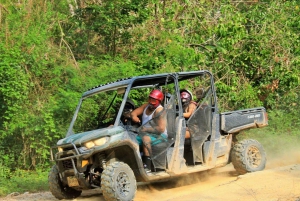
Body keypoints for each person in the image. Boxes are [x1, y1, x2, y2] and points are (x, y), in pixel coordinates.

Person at [130, 89, 167, 172]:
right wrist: (134, 117)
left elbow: (161, 129)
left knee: (145, 139)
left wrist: (146, 129)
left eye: (154, 100)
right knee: (129, 139)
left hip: (160, 135)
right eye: (150, 99)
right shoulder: (146, 106)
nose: (151, 102)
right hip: (144, 133)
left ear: (159, 101)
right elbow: (133, 113)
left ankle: (147, 167)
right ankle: (134, 164)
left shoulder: (160, 110)